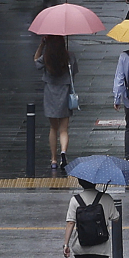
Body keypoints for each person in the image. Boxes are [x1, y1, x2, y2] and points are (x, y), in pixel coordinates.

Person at [34, 35, 76, 170]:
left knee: (53, 128)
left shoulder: (46, 57)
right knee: (64, 129)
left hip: (50, 93)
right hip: (65, 92)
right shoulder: (69, 56)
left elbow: (36, 62)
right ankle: (63, 152)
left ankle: (53, 159)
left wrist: (41, 45)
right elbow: (73, 72)